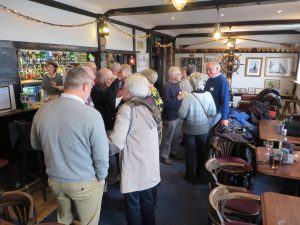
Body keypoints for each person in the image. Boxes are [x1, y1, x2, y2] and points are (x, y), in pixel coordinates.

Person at [31, 67, 109, 225]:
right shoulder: (91, 115)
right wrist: (102, 178)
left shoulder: (42, 111)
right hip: (84, 180)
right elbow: (101, 154)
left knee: (64, 221)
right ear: (85, 86)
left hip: (55, 180)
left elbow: (35, 145)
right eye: (91, 87)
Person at [109, 74, 161, 225]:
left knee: (132, 204)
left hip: (134, 164)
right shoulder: (150, 104)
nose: (122, 90)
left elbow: (116, 143)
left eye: (124, 87)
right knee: (147, 201)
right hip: (149, 162)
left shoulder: (127, 109)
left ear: (130, 91)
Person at [178, 72, 216, 183]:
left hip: (189, 129)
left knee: (190, 154)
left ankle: (190, 176)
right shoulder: (208, 95)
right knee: (202, 153)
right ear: (203, 82)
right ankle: (200, 175)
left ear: (191, 83)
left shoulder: (188, 97)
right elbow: (212, 112)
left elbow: (181, 115)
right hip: (203, 129)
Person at [160, 66, 183, 165]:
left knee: (177, 137)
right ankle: (164, 156)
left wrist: (181, 97)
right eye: (179, 74)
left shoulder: (177, 85)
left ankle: (173, 152)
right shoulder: (166, 87)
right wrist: (179, 97)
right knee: (167, 138)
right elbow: (166, 104)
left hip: (178, 115)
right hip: (169, 117)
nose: (181, 75)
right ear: (173, 76)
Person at [204, 61, 230, 127]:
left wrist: (224, 118)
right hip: (209, 112)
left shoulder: (222, 81)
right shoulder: (209, 80)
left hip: (217, 113)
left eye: (210, 69)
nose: (208, 72)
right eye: (206, 69)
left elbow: (225, 100)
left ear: (217, 69)